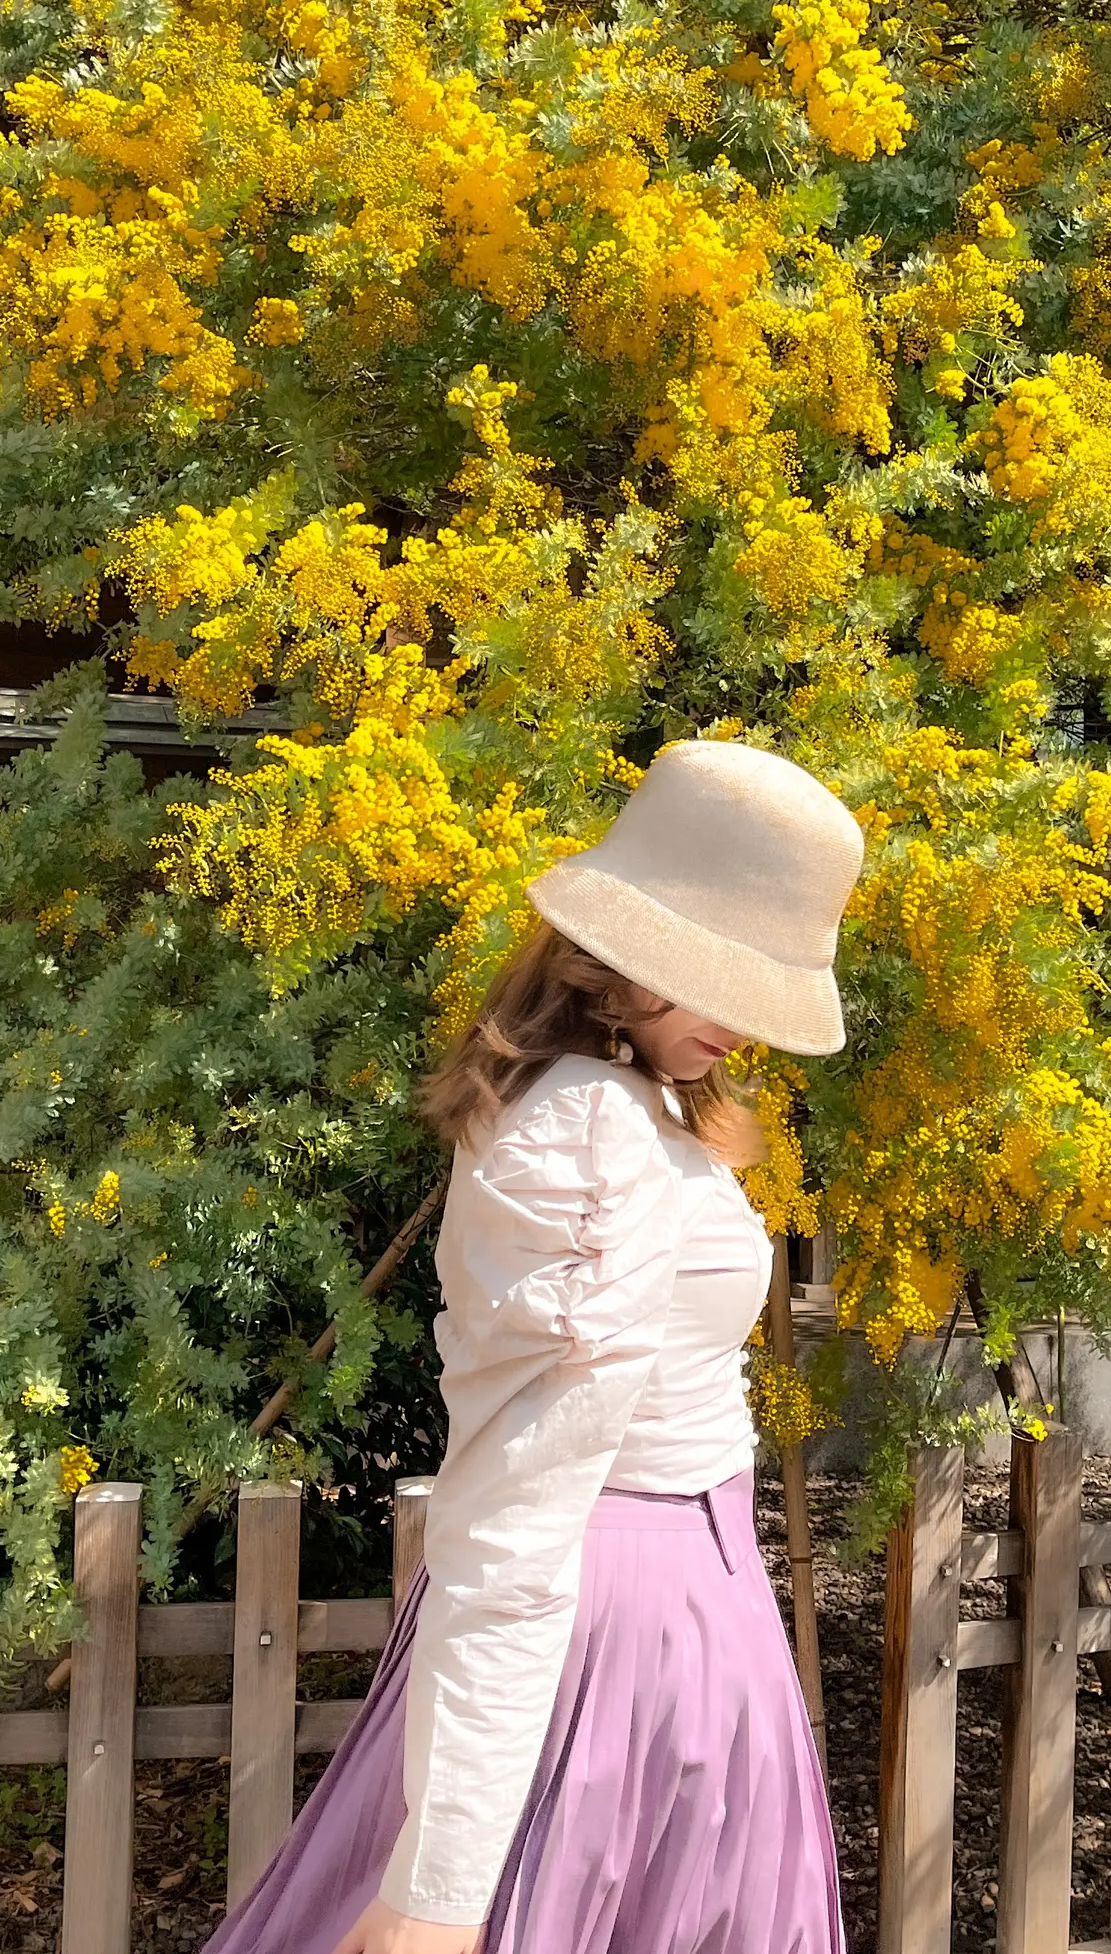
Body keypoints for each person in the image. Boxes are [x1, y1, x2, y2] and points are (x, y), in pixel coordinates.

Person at [202, 737, 864, 1954]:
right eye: (724, 978)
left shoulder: (634, 1098)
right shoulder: (585, 1132)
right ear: (626, 955)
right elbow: (514, 1513)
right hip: (603, 1639)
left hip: (686, 1624)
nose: (741, 1028)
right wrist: (441, 1886)